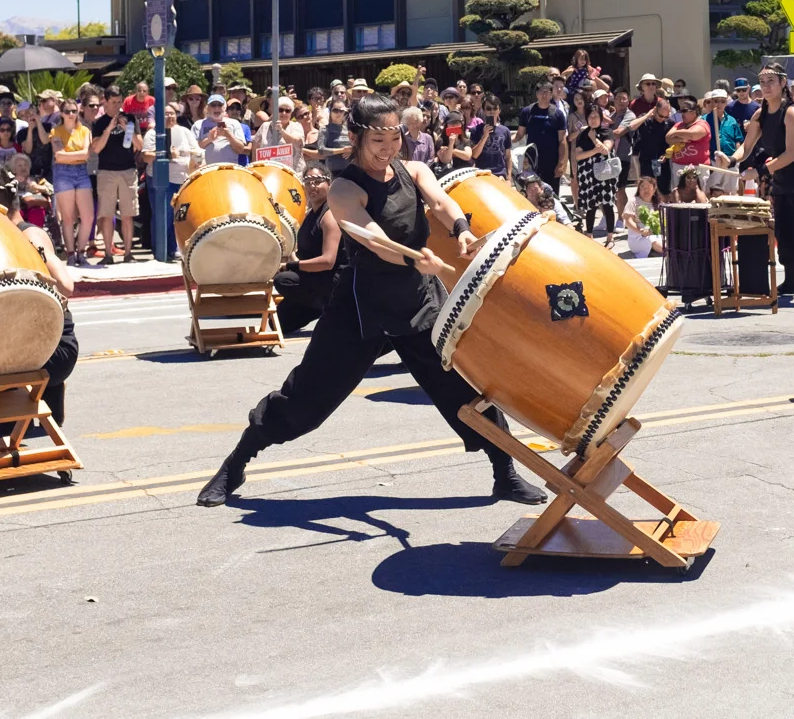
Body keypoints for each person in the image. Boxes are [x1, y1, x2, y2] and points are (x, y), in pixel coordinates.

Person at [197, 94, 548, 508]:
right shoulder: (344, 188)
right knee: (308, 396)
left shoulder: (414, 169)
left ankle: (503, 473)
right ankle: (236, 462)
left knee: (462, 385)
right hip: (362, 304)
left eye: (394, 137)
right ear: (356, 136)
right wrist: (416, 259)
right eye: (378, 139)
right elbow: (377, 242)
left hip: (419, 300)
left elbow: (439, 201)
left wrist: (461, 230)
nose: (388, 147)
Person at [0, 166, 79, 422]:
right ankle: (40, 404)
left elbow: (65, 285)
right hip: (31, 343)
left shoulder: (29, 236)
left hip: (53, 348)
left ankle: (26, 412)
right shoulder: (2, 236)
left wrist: (33, 258)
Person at [738, 63, 794, 297]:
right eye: (762, 82)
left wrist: (760, 171)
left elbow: (791, 154)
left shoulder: (792, 112)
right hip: (783, 177)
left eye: (771, 81)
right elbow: (747, 147)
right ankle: (791, 282)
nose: (765, 87)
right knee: (784, 230)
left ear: (783, 83)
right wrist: (730, 160)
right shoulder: (760, 113)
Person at [272, 162, 347, 335]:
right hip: (313, 278)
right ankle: (317, 308)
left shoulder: (330, 216)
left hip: (333, 279)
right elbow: (300, 254)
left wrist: (290, 266)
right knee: (278, 323)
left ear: (329, 184)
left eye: (318, 181)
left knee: (284, 280)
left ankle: (331, 307)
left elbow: (328, 261)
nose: (312, 186)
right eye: (308, 182)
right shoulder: (309, 215)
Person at [89, 86, 141, 264]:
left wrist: (129, 129)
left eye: (120, 102)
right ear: (105, 101)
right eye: (113, 102)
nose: (117, 106)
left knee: (128, 214)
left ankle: (128, 254)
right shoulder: (99, 122)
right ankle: (108, 255)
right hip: (106, 171)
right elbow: (96, 148)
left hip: (127, 170)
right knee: (106, 213)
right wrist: (110, 128)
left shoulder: (131, 118)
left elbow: (139, 145)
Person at [49, 103, 95, 266]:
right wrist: (76, 155)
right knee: (68, 218)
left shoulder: (85, 130)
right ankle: (70, 253)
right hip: (63, 173)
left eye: (74, 111)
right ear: (61, 113)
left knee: (88, 217)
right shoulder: (56, 131)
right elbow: (58, 156)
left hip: (81, 172)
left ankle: (81, 252)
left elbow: (85, 155)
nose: (70, 114)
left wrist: (67, 155)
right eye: (67, 111)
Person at [569, 105, 617, 237]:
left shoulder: (607, 132)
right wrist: (595, 150)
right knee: (590, 206)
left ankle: (610, 236)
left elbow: (606, 150)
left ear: (601, 118)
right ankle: (589, 234)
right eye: (590, 116)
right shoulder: (582, 135)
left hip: (605, 173)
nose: (593, 119)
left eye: (596, 116)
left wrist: (593, 138)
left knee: (607, 204)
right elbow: (578, 156)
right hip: (587, 174)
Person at [196, 93, 253, 166]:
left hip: (229, 170)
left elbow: (241, 149)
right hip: (206, 171)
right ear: (208, 108)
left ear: (224, 107)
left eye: (219, 105)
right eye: (213, 105)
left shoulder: (234, 123)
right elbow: (194, 151)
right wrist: (209, 139)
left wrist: (228, 135)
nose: (216, 108)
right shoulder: (198, 125)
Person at [622, 174, 665, 258]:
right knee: (654, 241)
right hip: (637, 237)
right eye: (643, 187)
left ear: (654, 189)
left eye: (649, 187)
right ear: (639, 189)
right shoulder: (633, 202)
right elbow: (628, 221)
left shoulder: (659, 203)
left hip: (655, 234)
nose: (646, 190)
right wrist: (641, 231)